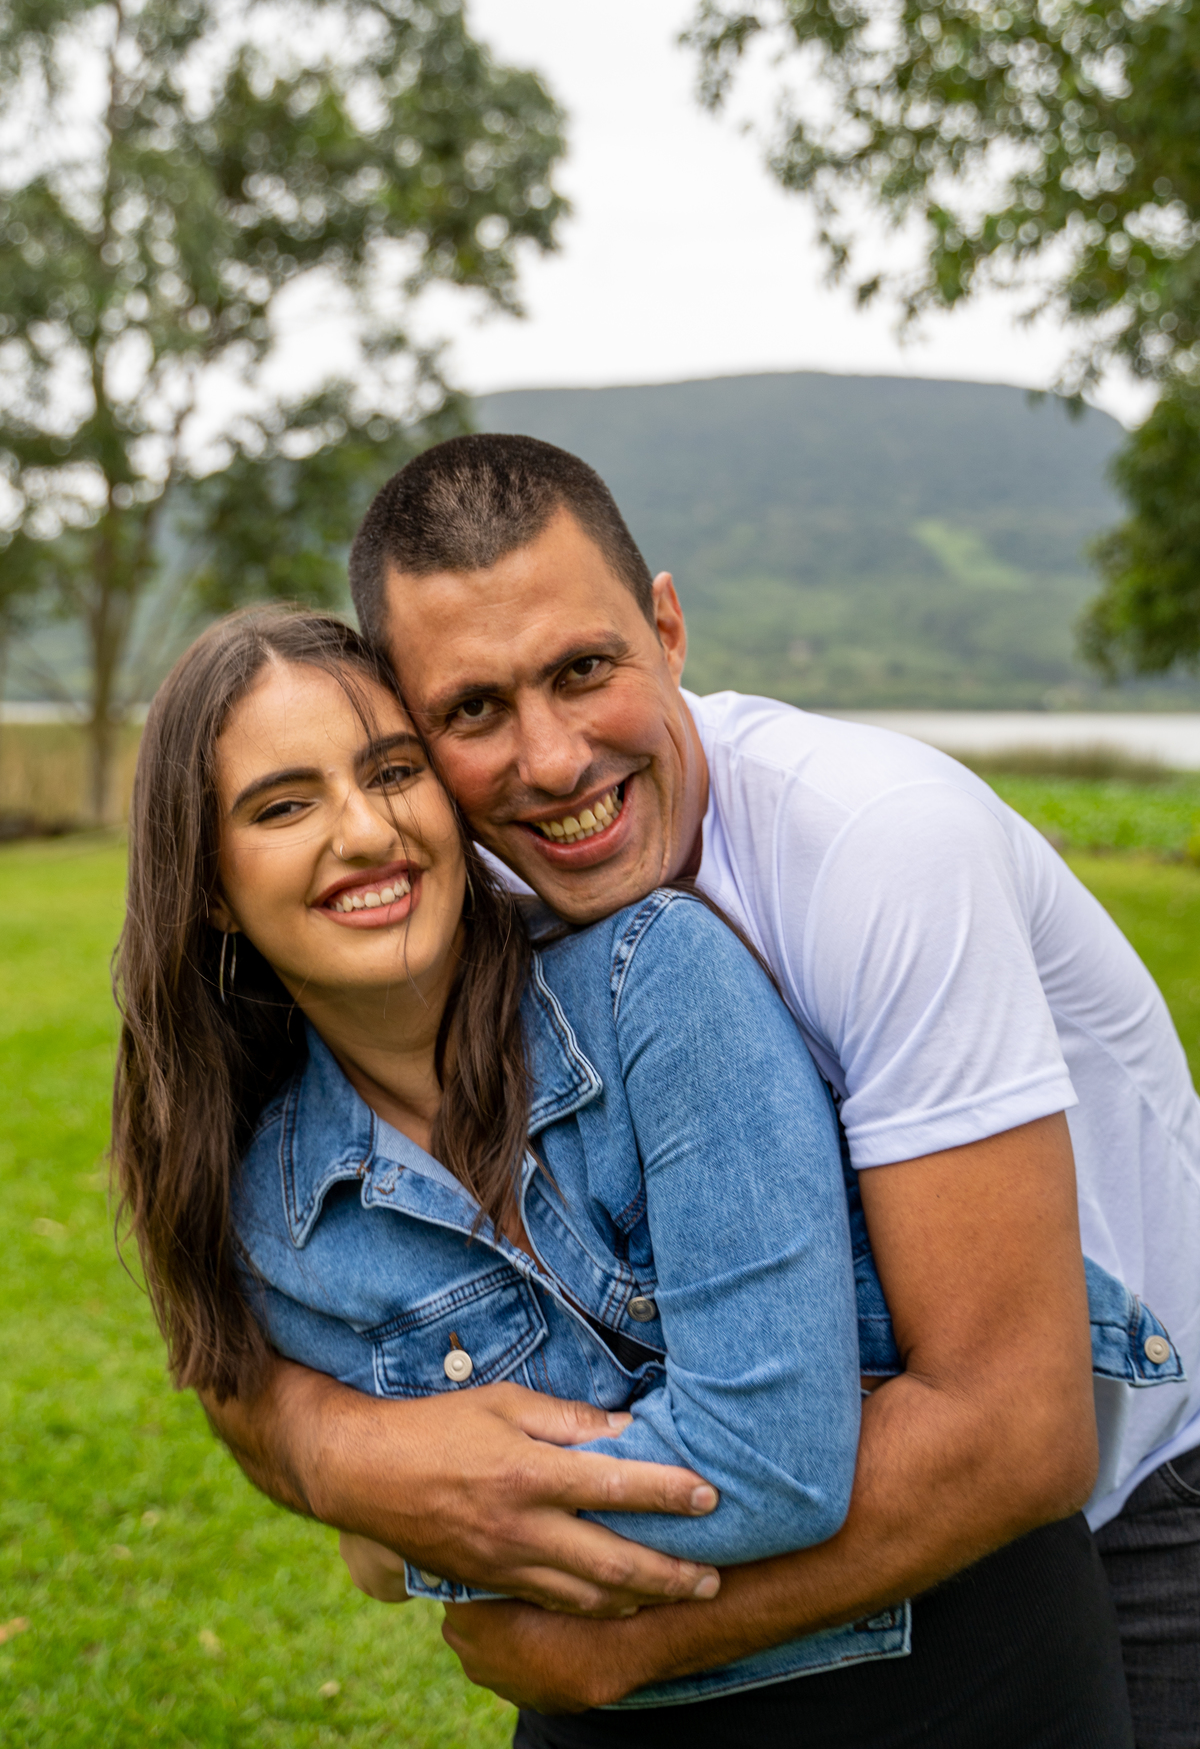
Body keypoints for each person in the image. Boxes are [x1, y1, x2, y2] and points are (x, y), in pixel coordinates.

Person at [200, 437, 1200, 1746]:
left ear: (668, 629)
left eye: (583, 670)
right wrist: (350, 1459)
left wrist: (598, 1632)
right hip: (802, 1480)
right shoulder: (461, 880)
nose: (552, 763)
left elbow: (1016, 1437)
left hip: (1135, 1492)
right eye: (474, 711)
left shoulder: (877, 848)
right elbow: (241, 1318)